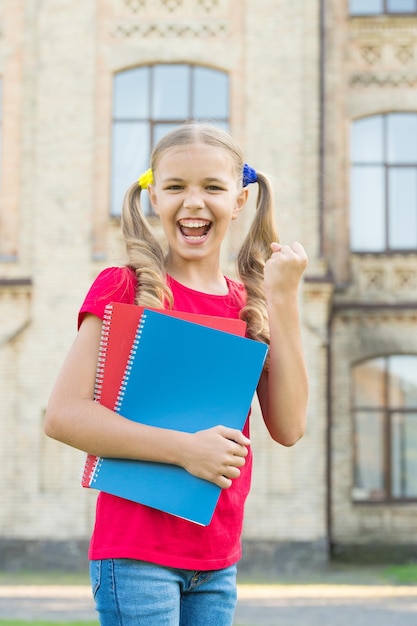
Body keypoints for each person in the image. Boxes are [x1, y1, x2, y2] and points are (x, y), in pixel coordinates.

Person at [44, 122, 309, 626]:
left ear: (239, 200)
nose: (193, 202)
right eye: (175, 187)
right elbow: (63, 416)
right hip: (136, 555)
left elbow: (290, 427)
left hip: (216, 560)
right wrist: (188, 451)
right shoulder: (123, 286)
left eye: (212, 187)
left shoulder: (248, 305)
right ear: (153, 197)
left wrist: (285, 301)